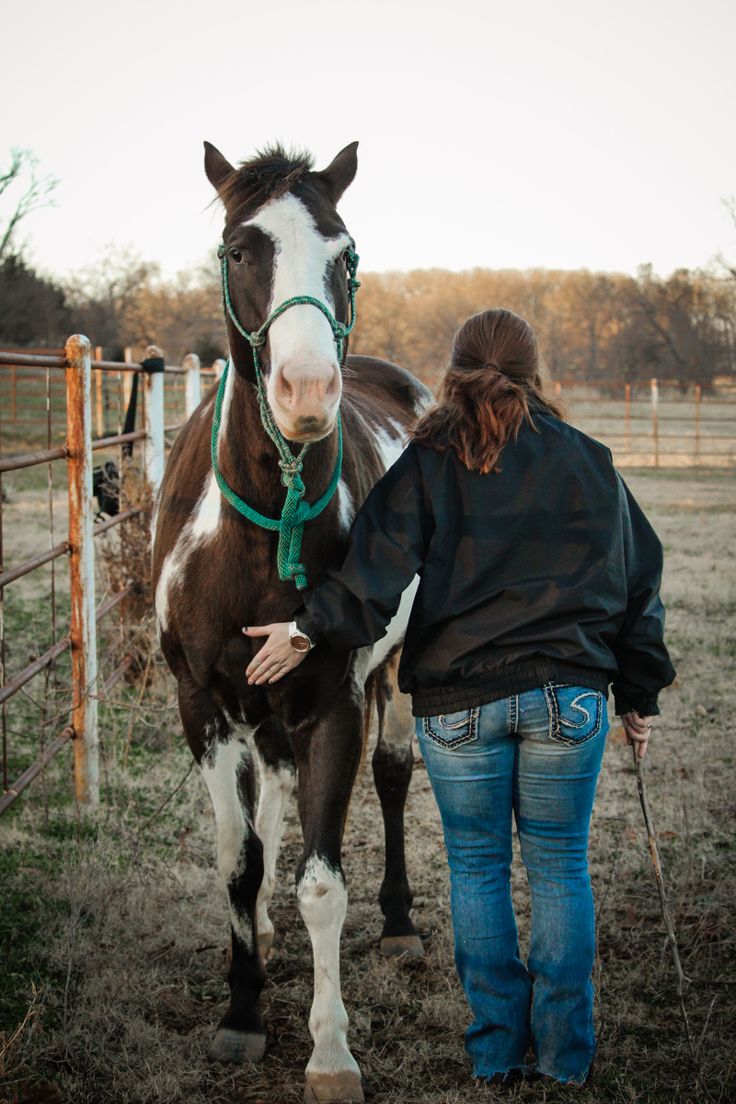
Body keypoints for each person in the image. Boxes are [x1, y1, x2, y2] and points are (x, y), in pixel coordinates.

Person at [243, 309, 675, 1087]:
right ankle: (565, 1058)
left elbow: (372, 571)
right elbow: (639, 578)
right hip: (567, 700)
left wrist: (307, 630)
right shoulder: (588, 461)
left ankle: (496, 1053)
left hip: (460, 706)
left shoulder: (429, 461)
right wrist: (637, 693)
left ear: (455, 369)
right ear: (533, 372)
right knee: (560, 870)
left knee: (477, 872)